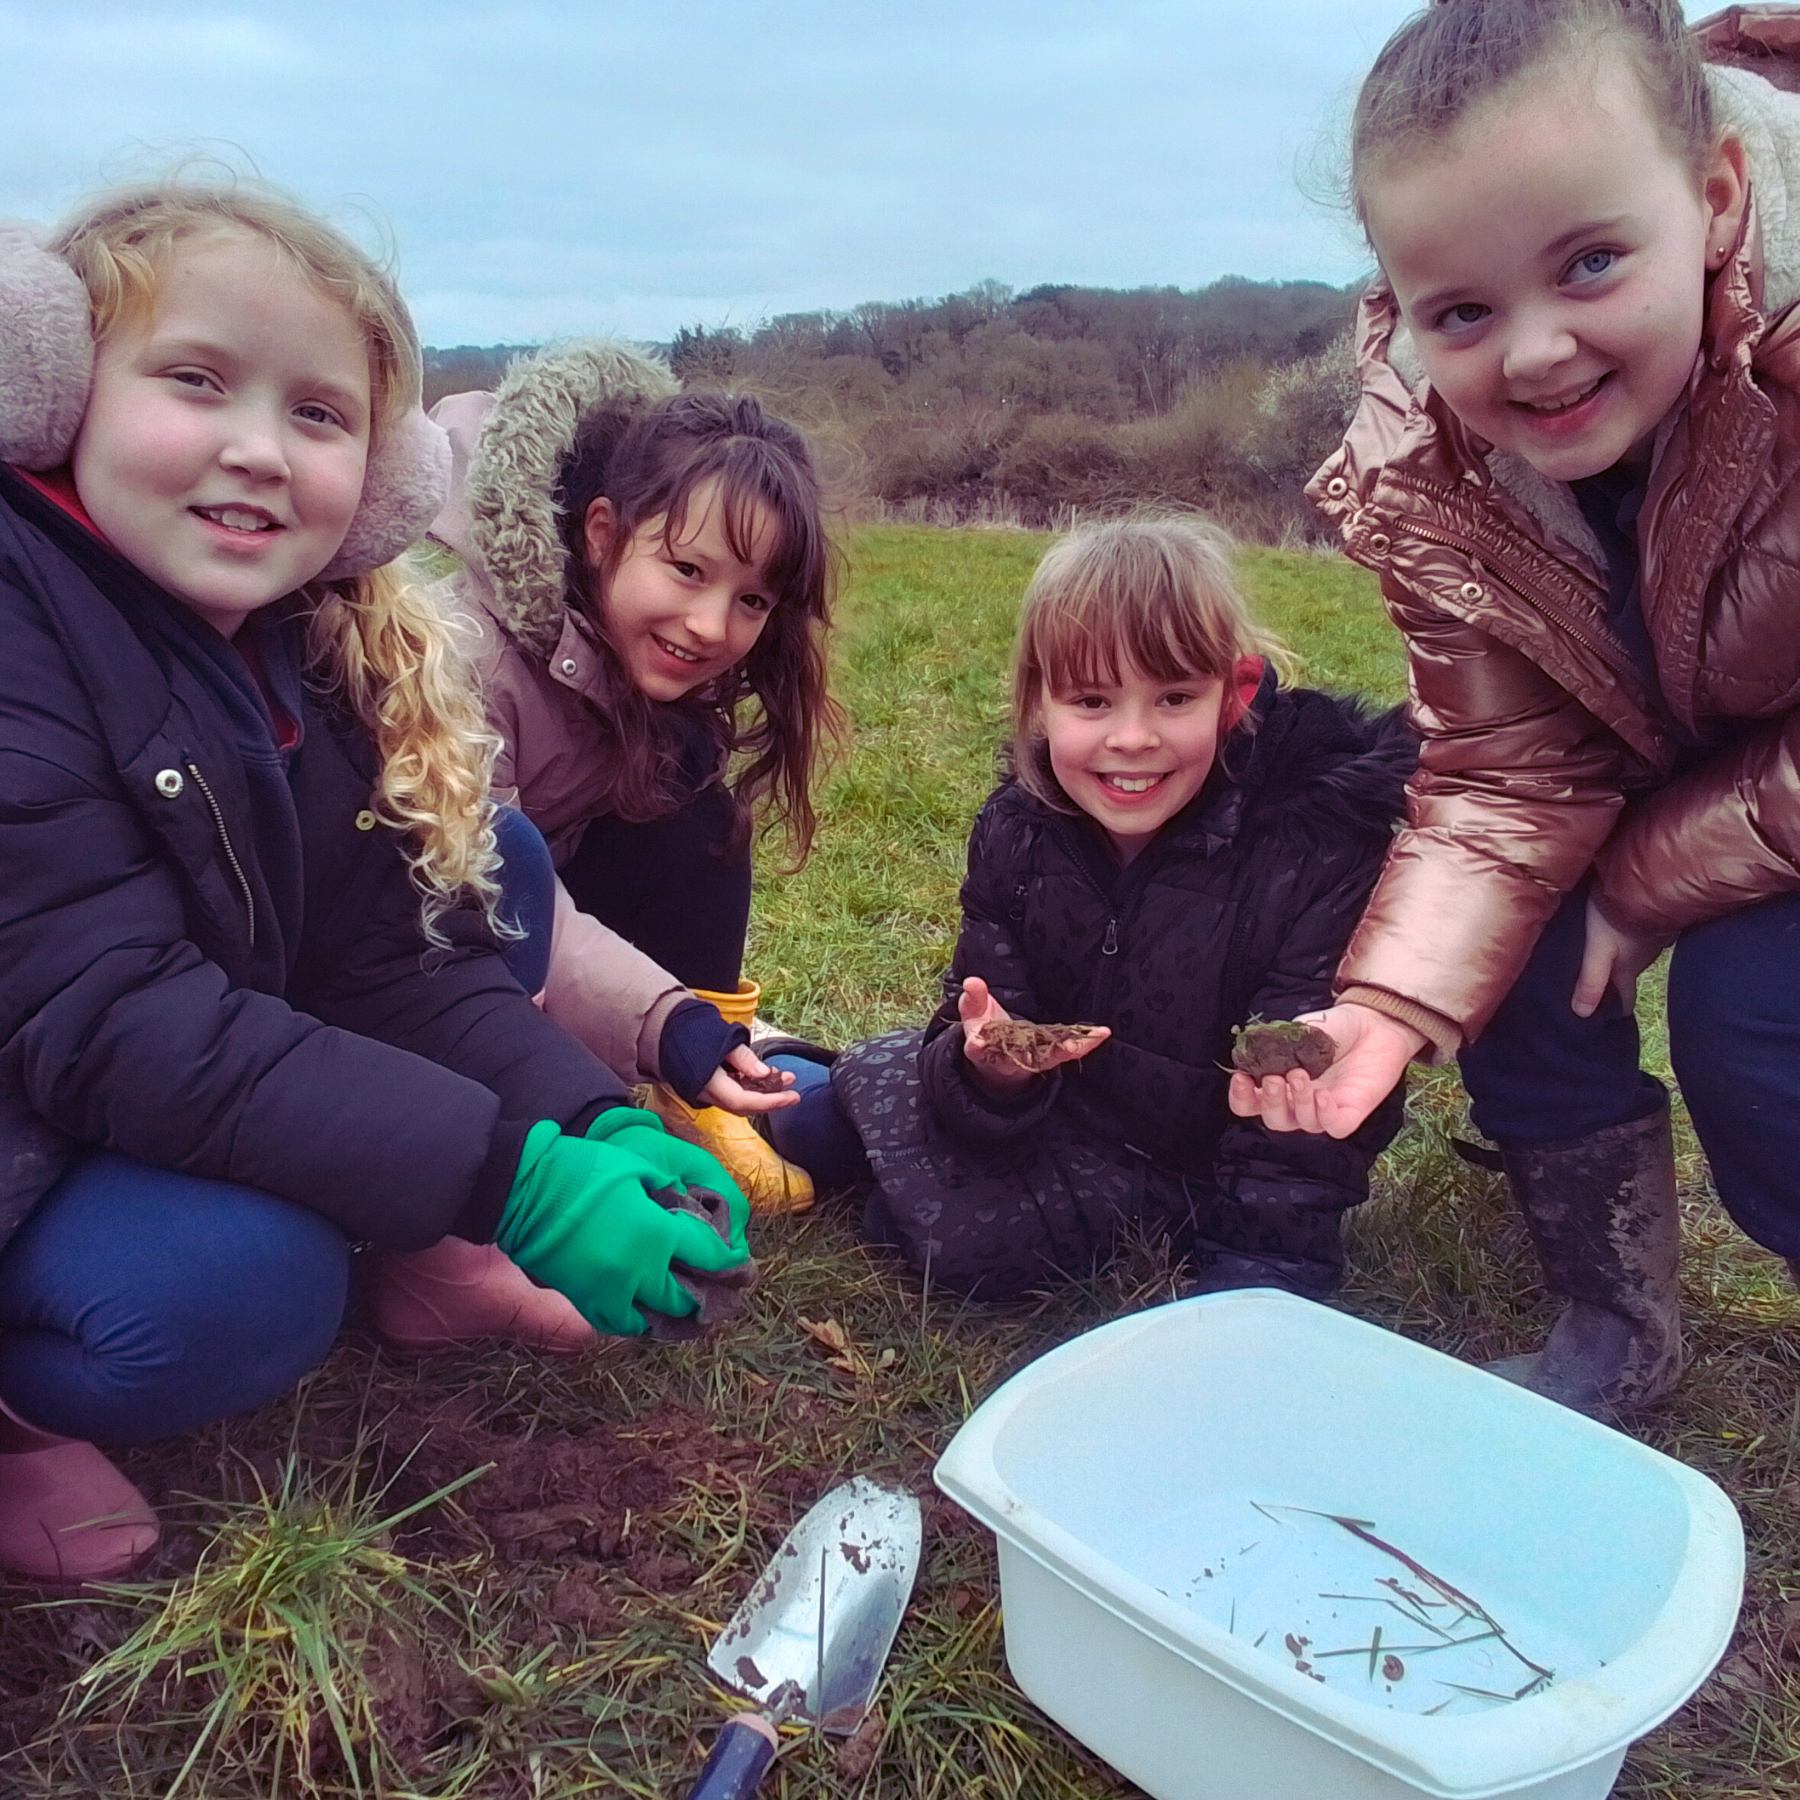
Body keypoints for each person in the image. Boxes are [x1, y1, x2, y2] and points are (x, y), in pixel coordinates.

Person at [0, 184, 750, 1583]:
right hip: (32, 1123)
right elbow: (111, 1015)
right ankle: (16, 1425)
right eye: (195, 380)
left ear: (385, 479)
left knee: (487, 866)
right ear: (52, 389)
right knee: (242, 1290)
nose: (260, 451)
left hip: (139, 1078)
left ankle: (422, 1258)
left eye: (319, 414)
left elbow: (387, 958)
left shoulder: (289, 638)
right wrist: (506, 1177)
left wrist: (582, 1108)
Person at [1230, 0, 1800, 1418]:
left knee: (1750, 1014)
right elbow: (1503, 771)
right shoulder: (1423, 466)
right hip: (1692, 756)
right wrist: (1389, 1001)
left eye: (1594, 263)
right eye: (1466, 312)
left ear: (1716, 193)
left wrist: (1652, 880)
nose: (1534, 355)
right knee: (1512, 948)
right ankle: (1616, 1312)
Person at [816, 516, 1413, 1299]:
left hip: (1193, 1166)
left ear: (1233, 694)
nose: (1132, 739)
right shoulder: (1015, 828)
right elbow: (992, 1016)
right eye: (1092, 701)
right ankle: (799, 1091)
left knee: (949, 1245)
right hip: (1066, 1118)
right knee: (870, 1084)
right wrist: (995, 1071)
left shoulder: (1314, 844)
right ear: (1038, 704)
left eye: (1173, 698)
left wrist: (1259, 1281)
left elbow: (1299, 1109)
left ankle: (841, 1138)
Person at [428, 350, 842, 1214]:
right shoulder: (464, 664)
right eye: (688, 571)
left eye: (752, 600)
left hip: (561, 926)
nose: (710, 625)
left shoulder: (641, 649)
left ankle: (700, 1076)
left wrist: (689, 1026)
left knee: (695, 797)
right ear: (603, 533)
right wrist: (652, 1021)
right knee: (518, 857)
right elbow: (492, 892)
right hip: (451, 942)